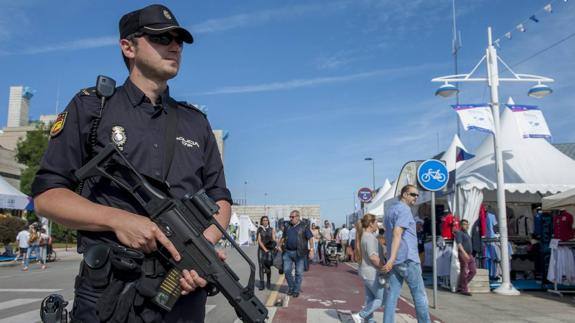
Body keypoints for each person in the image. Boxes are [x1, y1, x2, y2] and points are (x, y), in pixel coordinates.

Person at [30, 4, 232, 322]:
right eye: (162, 37)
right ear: (128, 46)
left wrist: (199, 250)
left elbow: (220, 196)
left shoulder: (196, 122)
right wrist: (118, 221)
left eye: (178, 39)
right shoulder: (92, 108)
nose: (175, 45)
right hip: (109, 293)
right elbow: (46, 197)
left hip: (180, 295)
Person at [383, 184, 431, 323]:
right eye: (413, 194)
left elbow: (389, 235)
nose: (416, 197)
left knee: (392, 295)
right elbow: (397, 233)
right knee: (419, 295)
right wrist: (391, 259)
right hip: (407, 257)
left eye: (417, 195)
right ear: (404, 194)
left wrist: (391, 258)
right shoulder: (405, 210)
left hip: (397, 259)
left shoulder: (390, 210)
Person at [351, 214, 386, 323]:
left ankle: (369, 320)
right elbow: (373, 257)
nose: (378, 224)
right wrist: (384, 267)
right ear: (371, 224)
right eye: (376, 222)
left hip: (366, 272)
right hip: (372, 273)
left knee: (370, 299)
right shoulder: (369, 237)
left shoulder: (363, 236)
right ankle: (361, 315)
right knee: (382, 299)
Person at [280, 210, 314, 298]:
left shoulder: (304, 226)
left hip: (300, 253)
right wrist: (279, 245)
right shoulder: (287, 226)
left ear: (298, 217)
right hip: (287, 252)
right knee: (286, 271)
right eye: (290, 217)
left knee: (299, 273)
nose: (290, 219)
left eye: (292, 217)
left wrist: (311, 250)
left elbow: (310, 238)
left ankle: (296, 290)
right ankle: (291, 287)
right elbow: (283, 237)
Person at [455, 219, 476, 296]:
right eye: (464, 224)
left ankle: (462, 285)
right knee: (464, 271)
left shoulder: (467, 233)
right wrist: (464, 253)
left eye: (467, 224)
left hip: (470, 254)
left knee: (473, 271)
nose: (466, 225)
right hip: (463, 254)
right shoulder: (459, 233)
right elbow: (459, 245)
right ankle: (463, 289)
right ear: (461, 225)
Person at [257, 216, 276, 290]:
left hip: (269, 250)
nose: (265, 222)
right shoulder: (259, 229)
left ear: (268, 221)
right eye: (264, 220)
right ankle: (262, 283)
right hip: (261, 251)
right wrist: (265, 249)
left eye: (266, 220)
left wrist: (276, 246)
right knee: (261, 267)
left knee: (268, 266)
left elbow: (274, 239)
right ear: (261, 221)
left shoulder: (271, 229)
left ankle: (268, 282)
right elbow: (259, 241)